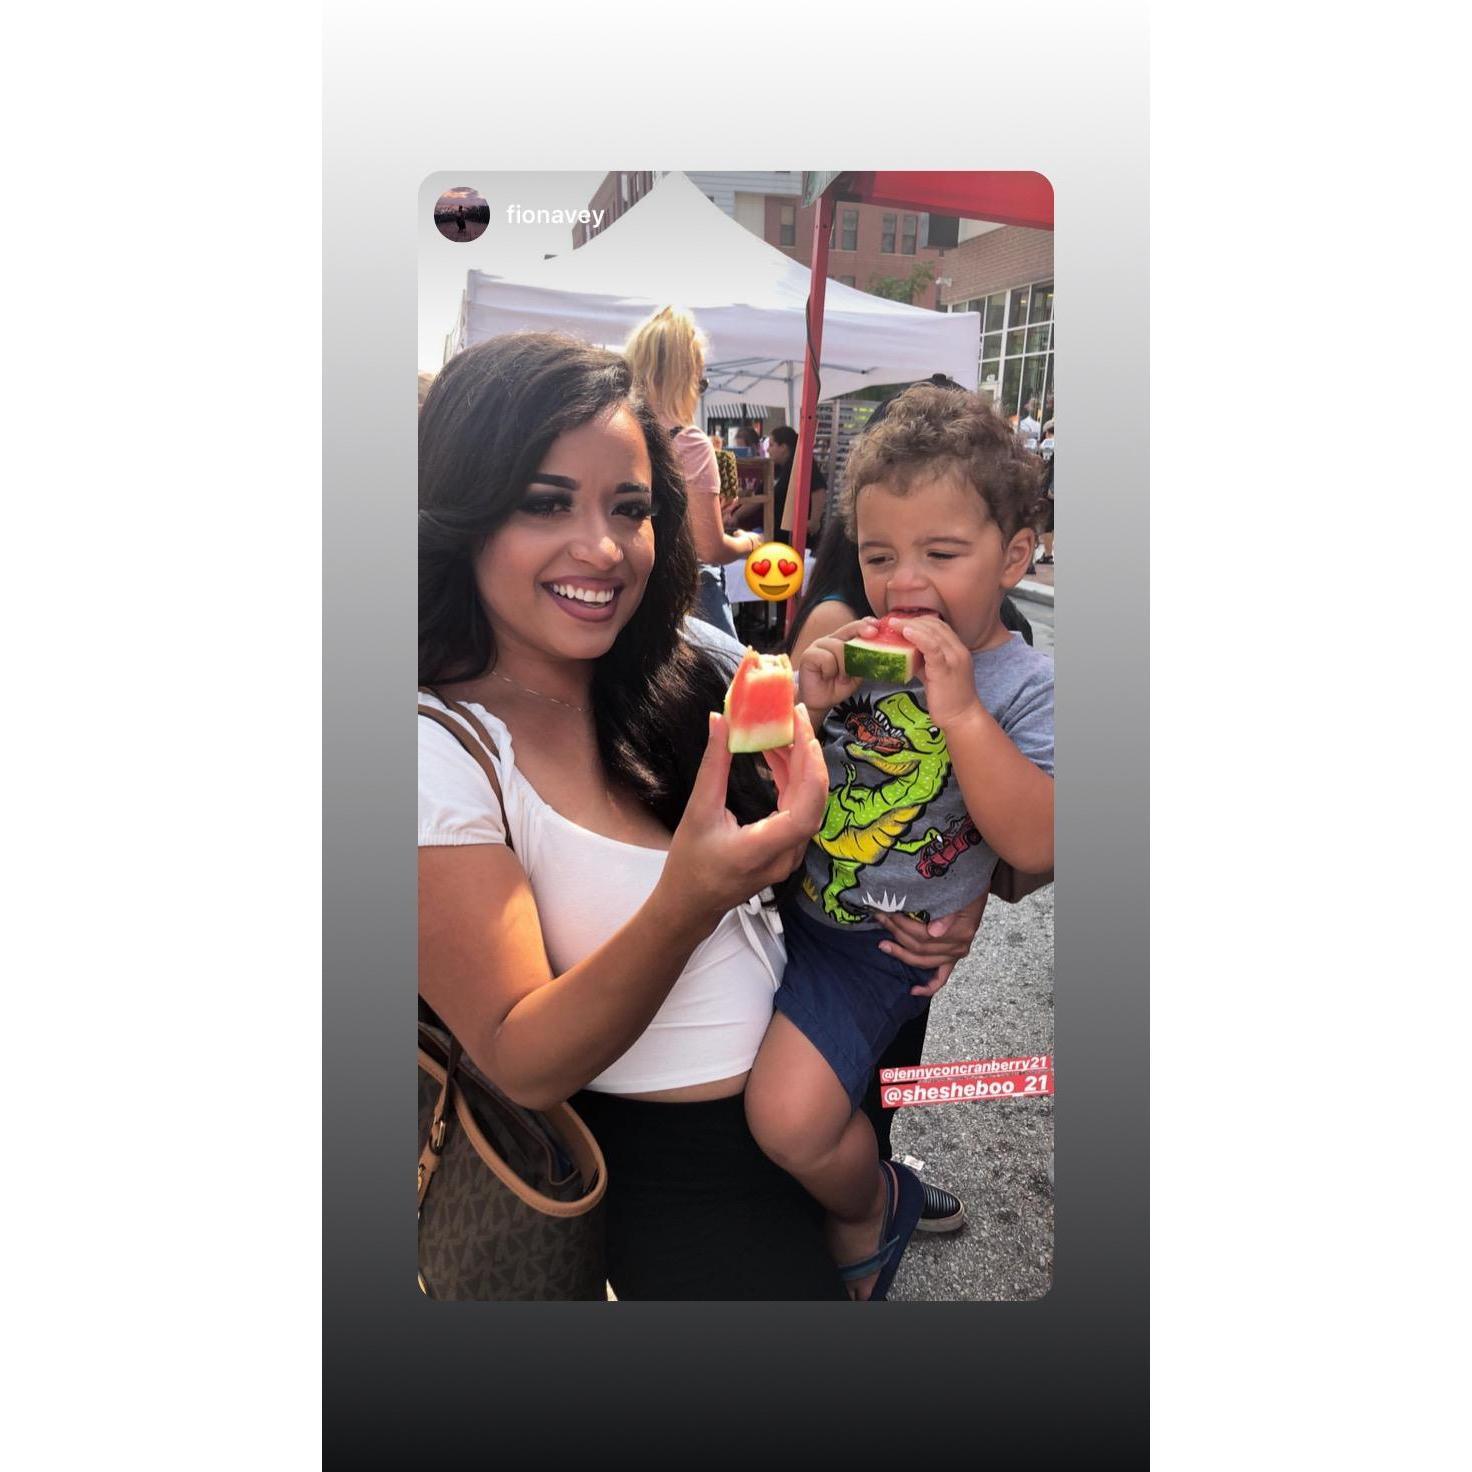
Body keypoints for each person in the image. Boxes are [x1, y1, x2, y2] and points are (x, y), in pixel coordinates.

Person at [418, 334, 989, 1301]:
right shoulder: (436, 747)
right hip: (667, 1171)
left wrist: (959, 893)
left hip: (820, 1068)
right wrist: (691, 898)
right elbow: (522, 1059)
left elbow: (917, 778)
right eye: (546, 502)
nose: (602, 547)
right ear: (462, 510)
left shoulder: (686, 658)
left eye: (630, 510)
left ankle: (873, 1206)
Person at [745, 384, 1056, 1300]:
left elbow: (1036, 841)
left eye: (942, 553)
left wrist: (957, 709)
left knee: (790, 1119)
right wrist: (807, 692)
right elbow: (772, 749)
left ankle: (875, 1202)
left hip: (878, 950)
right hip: (787, 909)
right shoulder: (852, 640)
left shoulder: (1023, 683)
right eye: (881, 556)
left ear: (1015, 558)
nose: (906, 583)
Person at [624, 306, 763, 639]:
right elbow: (709, 549)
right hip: (687, 595)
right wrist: (749, 543)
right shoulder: (689, 441)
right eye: (700, 378)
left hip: (628, 590)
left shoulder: (615, 433)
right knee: (726, 683)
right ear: (684, 376)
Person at [769, 424, 828, 542]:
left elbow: (819, 489)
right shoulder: (776, 468)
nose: (767, 449)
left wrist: (814, 521)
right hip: (779, 533)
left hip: (800, 535)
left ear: (783, 447)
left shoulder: (802, 463)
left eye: (771, 445)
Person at [1038, 452, 1055, 565]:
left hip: (1050, 498)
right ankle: (1048, 553)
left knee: (1047, 526)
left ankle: (1048, 555)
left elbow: (1051, 489)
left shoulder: (1053, 467)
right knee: (1050, 526)